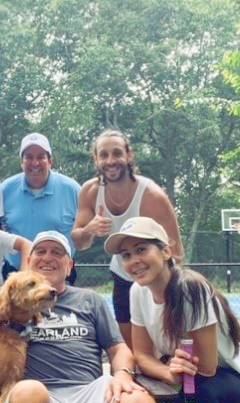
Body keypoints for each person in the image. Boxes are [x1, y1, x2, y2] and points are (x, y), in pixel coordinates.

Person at [104, 216, 240, 403]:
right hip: (192, 379)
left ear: (166, 251)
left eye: (141, 249)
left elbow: (207, 367)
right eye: (126, 255)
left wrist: (175, 368)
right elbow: (142, 356)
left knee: (195, 398)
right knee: (155, 396)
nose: (134, 260)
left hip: (236, 379)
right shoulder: (137, 291)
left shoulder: (190, 288)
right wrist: (168, 372)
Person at [0, 230, 157, 403]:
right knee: (30, 392)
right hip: (39, 392)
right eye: (40, 252)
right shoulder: (13, 302)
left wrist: (123, 375)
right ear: (28, 263)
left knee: (138, 402)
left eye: (57, 253)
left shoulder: (90, 300)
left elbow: (118, 349)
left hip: (89, 390)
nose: (47, 258)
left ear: (69, 266)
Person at [72, 129, 184, 347]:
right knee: (132, 348)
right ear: (96, 159)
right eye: (103, 155)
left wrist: (156, 279)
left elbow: (176, 251)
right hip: (123, 277)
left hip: (158, 280)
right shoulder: (91, 191)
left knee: (166, 345)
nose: (110, 161)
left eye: (117, 153)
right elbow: (79, 242)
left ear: (129, 155)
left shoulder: (151, 195)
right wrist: (89, 229)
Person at [1, 133, 80, 283]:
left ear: (50, 161)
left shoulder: (73, 190)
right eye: (29, 157)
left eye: (41, 157)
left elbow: (82, 234)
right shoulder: (5, 190)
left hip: (59, 276)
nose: (35, 163)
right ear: (21, 162)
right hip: (16, 274)